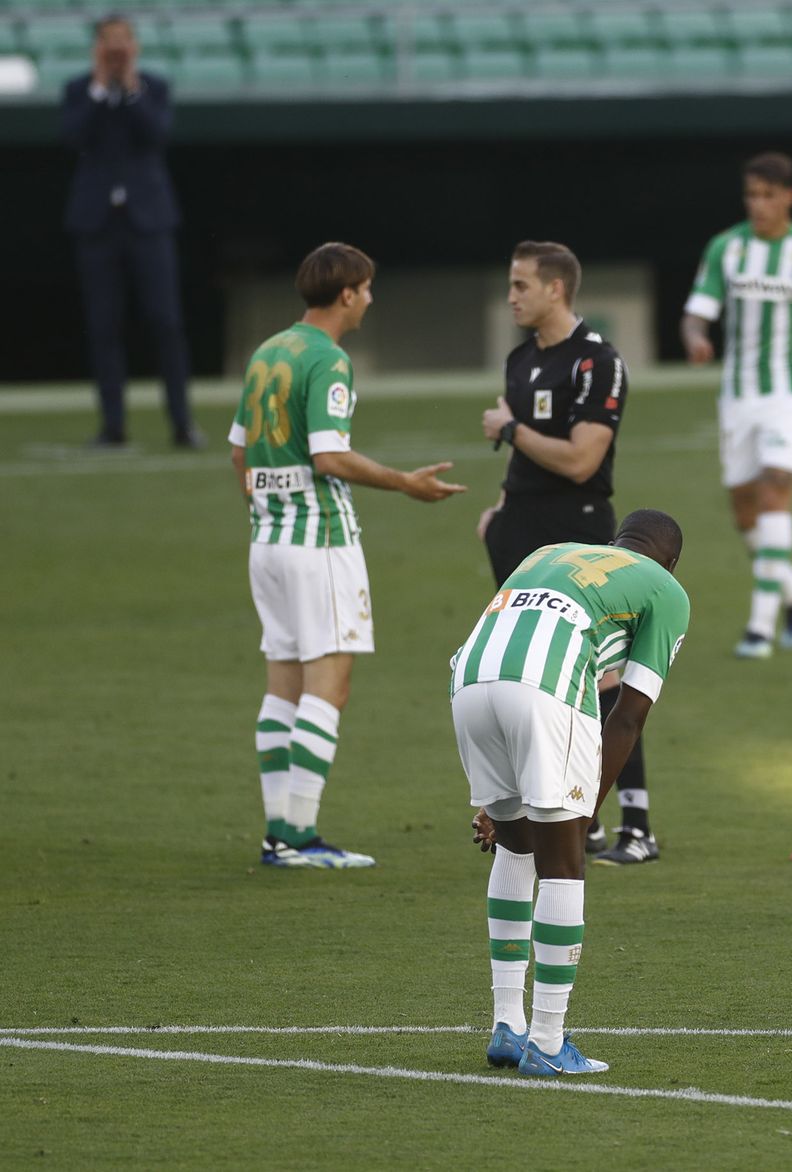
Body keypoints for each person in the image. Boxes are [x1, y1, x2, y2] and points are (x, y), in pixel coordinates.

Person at [229, 242, 466, 869]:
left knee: (283, 686)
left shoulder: (267, 352)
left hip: (268, 542)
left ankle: (278, 831)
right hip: (320, 544)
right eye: (366, 290)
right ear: (346, 294)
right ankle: (299, 836)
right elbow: (329, 456)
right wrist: (407, 484)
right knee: (327, 685)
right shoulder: (328, 360)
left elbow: (239, 452)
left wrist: (269, 509)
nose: (369, 300)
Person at [456, 511, 690, 1076]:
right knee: (563, 864)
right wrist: (584, 808)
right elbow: (627, 718)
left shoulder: (549, 551)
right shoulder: (666, 589)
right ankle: (549, 1040)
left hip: (468, 679)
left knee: (515, 848)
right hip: (545, 686)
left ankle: (507, 1027)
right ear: (671, 561)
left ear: (616, 544)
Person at [475, 241, 655, 866]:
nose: (512, 296)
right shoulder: (520, 359)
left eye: (521, 284)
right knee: (533, 674)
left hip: (575, 531)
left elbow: (581, 461)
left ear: (557, 289)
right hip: (518, 532)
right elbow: (524, 457)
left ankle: (636, 825)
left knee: (602, 675)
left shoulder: (597, 363)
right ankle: (579, 817)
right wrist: (499, 506)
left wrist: (510, 430)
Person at [682, 152, 792, 660]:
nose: (758, 205)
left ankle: (760, 627)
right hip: (738, 394)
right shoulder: (726, 249)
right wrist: (695, 339)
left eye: (768, 195)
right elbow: (696, 313)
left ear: (789, 197)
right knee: (744, 509)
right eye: (751, 195)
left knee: (776, 489)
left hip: (791, 392)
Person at [63, 14, 199, 449]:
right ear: (97, 47)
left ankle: (181, 423)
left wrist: (131, 87)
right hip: (97, 223)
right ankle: (113, 426)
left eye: (125, 41)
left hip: (149, 221)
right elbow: (74, 136)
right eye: (110, 42)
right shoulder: (79, 90)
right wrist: (102, 86)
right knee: (105, 327)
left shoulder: (154, 87)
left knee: (166, 323)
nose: (118, 49)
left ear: (136, 45)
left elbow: (156, 133)